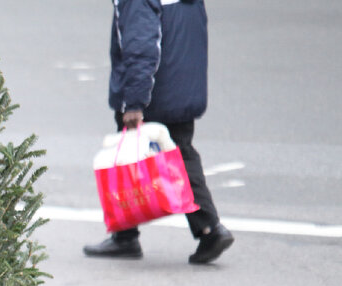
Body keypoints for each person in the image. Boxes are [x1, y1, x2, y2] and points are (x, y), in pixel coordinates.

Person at [83, 0, 233, 264]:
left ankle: (206, 228)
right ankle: (131, 233)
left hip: (155, 91)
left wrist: (135, 102)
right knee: (181, 153)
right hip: (182, 85)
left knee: (139, 157)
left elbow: (141, 46)